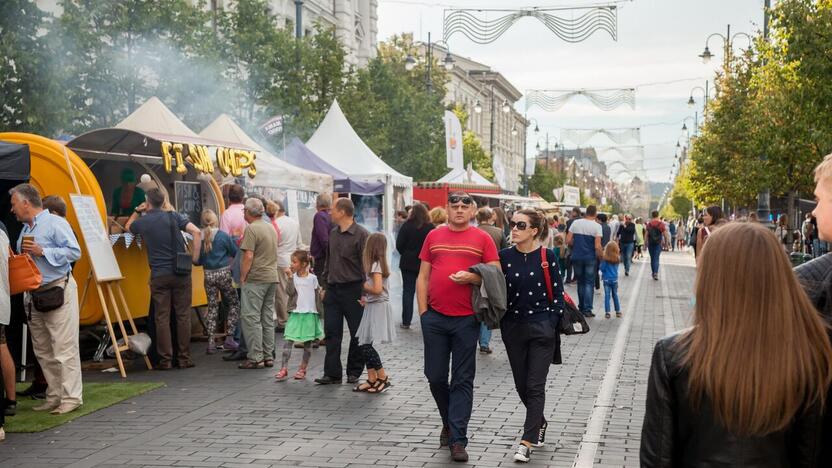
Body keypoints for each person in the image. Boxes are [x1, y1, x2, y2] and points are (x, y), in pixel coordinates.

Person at [641, 222, 832, 467]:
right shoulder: (811, 354)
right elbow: (810, 454)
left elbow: (656, 458)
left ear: (711, 279)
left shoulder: (674, 355)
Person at [417, 191, 500, 462]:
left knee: (463, 379)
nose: (460, 209)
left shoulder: (483, 238)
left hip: (467, 319)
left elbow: (496, 275)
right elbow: (423, 276)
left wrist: (474, 276)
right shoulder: (433, 236)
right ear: (447, 209)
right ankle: (449, 421)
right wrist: (423, 313)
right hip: (435, 318)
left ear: (473, 211)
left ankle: (458, 439)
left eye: (466, 205)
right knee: (436, 376)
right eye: (455, 205)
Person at [11, 184, 83, 414]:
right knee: (43, 350)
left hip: (56, 290)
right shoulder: (25, 229)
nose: (12, 210)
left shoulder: (55, 223)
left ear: (26, 203)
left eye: (14, 204)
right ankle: (54, 395)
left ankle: (71, 397)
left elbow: (74, 252)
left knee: (63, 347)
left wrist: (45, 252)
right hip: (34, 294)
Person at [499, 209, 563, 463]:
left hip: (541, 329)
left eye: (520, 225)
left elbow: (558, 295)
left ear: (534, 231)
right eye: (512, 224)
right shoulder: (503, 257)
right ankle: (539, 421)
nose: (513, 229)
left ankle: (526, 441)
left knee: (535, 386)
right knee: (521, 385)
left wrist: (551, 322)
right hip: (513, 328)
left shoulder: (548, 257)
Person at [127, 188, 201, 370]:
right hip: (181, 272)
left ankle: (165, 360)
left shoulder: (144, 221)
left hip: (159, 274)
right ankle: (184, 358)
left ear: (148, 202)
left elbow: (128, 227)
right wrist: (195, 258)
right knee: (183, 316)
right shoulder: (174, 217)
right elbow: (197, 232)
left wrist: (137, 211)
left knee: (162, 318)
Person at [315, 198, 370, 385]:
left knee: (357, 332)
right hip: (333, 289)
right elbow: (328, 261)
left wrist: (365, 293)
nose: (330, 213)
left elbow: (366, 267)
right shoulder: (333, 233)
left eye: (333, 210)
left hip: (353, 289)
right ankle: (332, 373)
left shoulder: (362, 235)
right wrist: (324, 285)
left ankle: (354, 371)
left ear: (343, 212)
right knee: (331, 332)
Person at [237, 198, 279, 369]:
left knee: (251, 318)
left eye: (244, 211)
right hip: (271, 277)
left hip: (256, 278)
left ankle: (255, 357)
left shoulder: (252, 229)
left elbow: (248, 255)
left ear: (248, 212)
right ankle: (268, 356)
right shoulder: (270, 227)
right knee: (267, 318)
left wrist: (242, 276)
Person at [353, 233, 396, 393]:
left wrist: (364, 286)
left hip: (378, 306)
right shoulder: (378, 264)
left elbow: (377, 289)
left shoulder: (375, 265)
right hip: (374, 305)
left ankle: (383, 377)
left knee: (365, 345)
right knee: (365, 343)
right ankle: (372, 379)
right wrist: (366, 298)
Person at [275, 250, 323, 381]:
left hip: (309, 314)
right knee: (288, 341)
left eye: (294, 262)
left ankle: (303, 368)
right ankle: (283, 368)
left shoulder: (313, 278)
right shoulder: (293, 277)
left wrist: (320, 312)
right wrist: (290, 278)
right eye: (292, 261)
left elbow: (318, 295)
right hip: (296, 314)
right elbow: (289, 292)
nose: (292, 264)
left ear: (304, 264)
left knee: (307, 344)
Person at [197, 209, 240, 354]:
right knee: (234, 303)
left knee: (212, 306)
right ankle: (229, 338)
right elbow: (235, 252)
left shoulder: (199, 237)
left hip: (208, 275)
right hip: (224, 273)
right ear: (216, 220)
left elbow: (196, 261)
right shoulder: (223, 236)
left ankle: (210, 342)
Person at [395, 203, 433, 329]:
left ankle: (406, 321)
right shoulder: (430, 227)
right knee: (427, 291)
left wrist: (406, 254)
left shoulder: (406, 225)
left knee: (408, 291)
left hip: (407, 262)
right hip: (425, 262)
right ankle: (428, 319)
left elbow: (399, 244)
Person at [476, 206, 506, 354]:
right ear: (490, 217)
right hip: (492, 273)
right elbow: (503, 255)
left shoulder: (473, 232)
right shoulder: (499, 232)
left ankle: (475, 339)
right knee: (487, 305)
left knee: (475, 304)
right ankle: (484, 342)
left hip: (474, 271)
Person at [567, 205, 602, 317]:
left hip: (577, 256)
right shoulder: (597, 226)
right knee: (589, 283)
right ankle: (587, 309)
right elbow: (597, 245)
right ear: (595, 214)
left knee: (581, 282)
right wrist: (601, 256)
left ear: (586, 212)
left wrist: (576, 244)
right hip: (590, 258)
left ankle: (581, 307)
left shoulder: (576, 223)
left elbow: (568, 240)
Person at [272, 200, 300, 333]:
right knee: (293, 292)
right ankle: (294, 318)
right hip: (293, 260)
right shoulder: (294, 223)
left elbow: (274, 245)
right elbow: (299, 242)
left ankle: (283, 321)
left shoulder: (275, 224)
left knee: (282, 292)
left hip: (280, 260)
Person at [311, 194, 332, 286]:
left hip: (322, 259)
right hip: (327, 257)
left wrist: (329, 254)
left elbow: (324, 239)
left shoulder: (319, 216)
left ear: (317, 204)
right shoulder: (329, 215)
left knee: (321, 287)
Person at [600, 242, 621, 319]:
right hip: (614, 280)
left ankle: (608, 312)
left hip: (606, 280)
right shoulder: (617, 259)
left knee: (607, 296)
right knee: (615, 295)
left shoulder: (605, 259)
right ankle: (618, 311)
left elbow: (602, 268)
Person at [645, 211, 666, 280]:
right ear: (658, 215)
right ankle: (656, 273)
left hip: (650, 243)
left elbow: (646, 234)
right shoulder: (661, 224)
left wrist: (645, 243)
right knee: (656, 258)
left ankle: (653, 272)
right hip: (658, 243)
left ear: (652, 215)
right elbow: (665, 234)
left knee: (652, 258)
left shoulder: (649, 224)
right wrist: (667, 242)